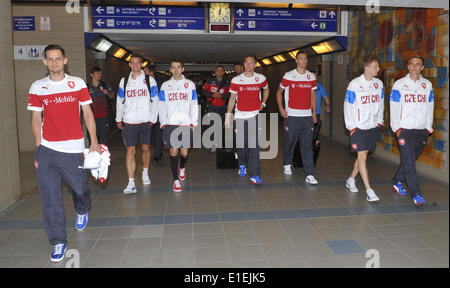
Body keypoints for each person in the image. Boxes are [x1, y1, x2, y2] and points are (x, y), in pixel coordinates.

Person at [28, 44, 100, 262]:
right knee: (51, 199)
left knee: (80, 190)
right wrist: (38, 146)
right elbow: (35, 118)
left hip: (73, 149)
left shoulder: (76, 83)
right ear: (44, 62)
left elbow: (87, 114)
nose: (54, 63)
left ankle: (82, 208)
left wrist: (94, 142)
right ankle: (58, 241)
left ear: (65, 60)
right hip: (47, 150)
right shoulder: (38, 87)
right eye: (50, 59)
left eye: (58, 59)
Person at [390, 55, 434, 206]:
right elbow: (394, 107)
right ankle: (416, 194)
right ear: (408, 66)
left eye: (418, 64)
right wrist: (397, 128)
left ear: (422, 68)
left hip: (421, 130)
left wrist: (428, 127)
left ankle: (396, 181)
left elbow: (430, 106)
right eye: (412, 64)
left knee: (410, 159)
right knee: (410, 163)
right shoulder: (399, 84)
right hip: (404, 130)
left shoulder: (427, 85)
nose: (414, 67)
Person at [116, 54, 159, 194]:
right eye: (132, 63)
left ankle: (145, 172)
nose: (135, 65)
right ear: (129, 65)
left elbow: (155, 99)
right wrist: (119, 118)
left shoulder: (149, 80)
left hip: (145, 120)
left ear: (141, 65)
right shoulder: (124, 81)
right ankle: (131, 182)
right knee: (130, 151)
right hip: (129, 121)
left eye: (137, 63)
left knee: (146, 149)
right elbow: (119, 100)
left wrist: (153, 117)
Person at [344, 55, 384, 202]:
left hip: (372, 126)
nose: (378, 69)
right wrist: (352, 127)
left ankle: (351, 179)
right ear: (366, 68)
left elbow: (380, 103)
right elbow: (348, 106)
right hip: (358, 127)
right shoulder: (354, 85)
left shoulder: (378, 84)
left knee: (364, 155)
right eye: (375, 67)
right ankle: (369, 190)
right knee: (362, 156)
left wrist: (379, 121)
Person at [225, 55, 269, 184]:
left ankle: (255, 174)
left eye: (251, 63)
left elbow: (266, 89)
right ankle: (242, 164)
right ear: (243, 65)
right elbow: (232, 98)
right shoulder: (236, 80)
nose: (249, 65)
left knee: (254, 145)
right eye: (246, 63)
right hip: (239, 116)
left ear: (255, 65)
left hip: (254, 115)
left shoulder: (261, 78)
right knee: (241, 144)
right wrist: (228, 115)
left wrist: (264, 103)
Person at [276, 51, 319, 184]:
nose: (304, 61)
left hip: (306, 116)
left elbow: (313, 94)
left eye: (305, 59)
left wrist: (313, 113)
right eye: (301, 59)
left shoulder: (311, 77)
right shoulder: (289, 75)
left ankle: (309, 173)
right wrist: (281, 108)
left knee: (307, 145)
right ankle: (287, 163)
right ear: (296, 61)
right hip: (292, 115)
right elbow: (279, 92)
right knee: (290, 142)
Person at [158, 59, 198, 192]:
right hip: (171, 124)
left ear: (183, 69)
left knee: (184, 152)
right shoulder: (165, 85)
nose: (176, 70)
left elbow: (194, 104)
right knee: (173, 150)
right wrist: (163, 122)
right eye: (173, 68)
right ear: (170, 70)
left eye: (178, 67)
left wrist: (193, 123)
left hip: (186, 123)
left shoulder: (190, 84)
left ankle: (182, 167)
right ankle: (175, 180)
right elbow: (161, 105)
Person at [201, 65, 230, 152]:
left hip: (222, 107)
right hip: (211, 107)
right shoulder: (210, 81)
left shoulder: (227, 83)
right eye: (218, 70)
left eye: (221, 71)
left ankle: (217, 142)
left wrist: (222, 96)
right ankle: (213, 144)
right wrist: (212, 95)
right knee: (213, 124)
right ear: (215, 72)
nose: (219, 72)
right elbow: (203, 91)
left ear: (224, 72)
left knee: (219, 126)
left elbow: (230, 95)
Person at [87, 66, 114, 146]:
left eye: (100, 73)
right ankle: (95, 157)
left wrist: (108, 93)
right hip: (92, 118)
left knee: (104, 140)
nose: (100, 75)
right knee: (93, 139)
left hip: (104, 118)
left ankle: (104, 157)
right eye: (97, 73)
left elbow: (113, 96)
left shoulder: (104, 85)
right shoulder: (87, 87)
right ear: (92, 75)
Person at [143, 65, 164, 165]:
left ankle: (156, 155)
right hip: (147, 114)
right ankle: (158, 150)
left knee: (157, 135)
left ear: (151, 73)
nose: (143, 74)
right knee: (151, 136)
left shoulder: (160, 83)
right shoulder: (144, 83)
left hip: (158, 114)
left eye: (145, 72)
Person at [312, 71, 331, 142]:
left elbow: (325, 97)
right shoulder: (305, 86)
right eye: (313, 76)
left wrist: (327, 105)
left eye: (316, 76)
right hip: (306, 114)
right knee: (306, 135)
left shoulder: (320, 87)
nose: (315, 78)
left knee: (315, 135)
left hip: (317, 114)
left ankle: (312, 148)